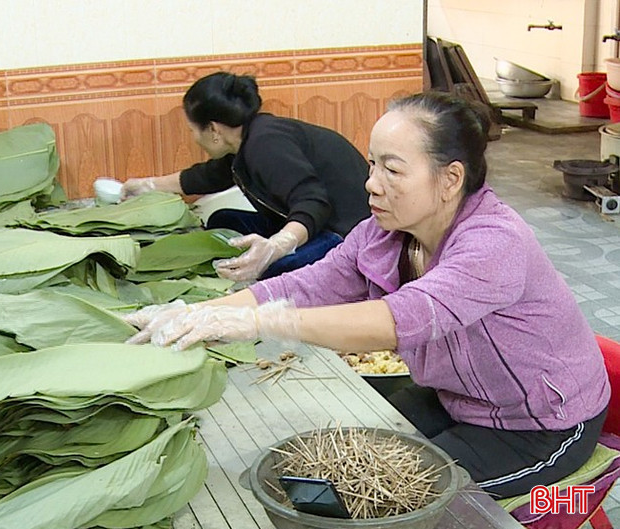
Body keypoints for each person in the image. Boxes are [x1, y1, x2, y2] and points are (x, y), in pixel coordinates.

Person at [123, 92, 611, 499]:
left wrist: (262, 322)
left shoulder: (493, 243)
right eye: (373, 163)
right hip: (460, 398)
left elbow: (402, 318)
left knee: (391, 497)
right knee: (336, 470)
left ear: (451, 179)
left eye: (393, 171)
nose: (371, 183)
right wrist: (192, 313)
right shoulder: (386, 231)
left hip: (541, 425)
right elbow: (304, 285)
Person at [121, 71, 370, 282]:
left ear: (213, 129)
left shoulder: (266, 144)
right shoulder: (245, 140)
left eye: (192, 130)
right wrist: (146, 185)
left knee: (276, 272)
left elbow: (313, 203)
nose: (194, 138)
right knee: (223, 220)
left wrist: (277, 246)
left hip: (344, 232)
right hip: (311, 223)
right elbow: (206, 177)